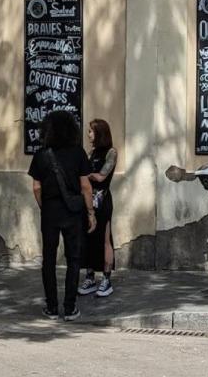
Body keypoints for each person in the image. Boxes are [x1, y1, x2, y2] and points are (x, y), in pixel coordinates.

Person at [28, 111, 96, 321]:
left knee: (48, 259)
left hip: (50, 210)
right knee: (73, 259)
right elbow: (85, 186)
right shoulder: (78, 153)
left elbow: (36, 188)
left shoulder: (41, 155)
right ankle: (70, 307)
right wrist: (91, 213)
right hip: (73, 211)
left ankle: (51, 306)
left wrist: (44, 206)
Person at [78, 119, 117, 298]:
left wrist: (87, 175)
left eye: (91, 131)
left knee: (105, 239)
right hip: (88, 201)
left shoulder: (111, 152)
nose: (89, 134)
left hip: (102, 201)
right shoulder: (91, 153)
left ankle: (106, 279)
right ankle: (90, 276)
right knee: (88, 240)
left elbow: (101, 177)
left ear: (100, 133)